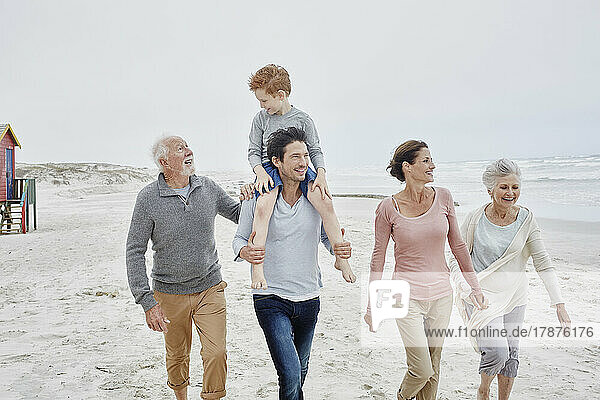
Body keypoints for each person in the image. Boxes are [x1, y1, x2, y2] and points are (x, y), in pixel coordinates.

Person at [233, 127, 355, 400]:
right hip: (270, 296)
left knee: (301, 370)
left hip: (309, 295)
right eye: (295, 157)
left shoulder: (315, 195)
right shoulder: (258, 196)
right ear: (277, 162)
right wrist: (245, 252)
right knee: (289, 372)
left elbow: (326, 234)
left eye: (306, 156)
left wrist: (339, 251)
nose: (303, 163)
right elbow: (240, 238)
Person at [363, 140, 486, 400]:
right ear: (408, 167)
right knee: (421, 368)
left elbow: (458, 245)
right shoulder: (388, 207)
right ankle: (402, 397)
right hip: (405, 297)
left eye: (432, 160)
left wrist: (474, 286)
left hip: (442, 295)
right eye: (426, 161)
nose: (433, 165)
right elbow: (378, 257)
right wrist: (373, 304)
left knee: (434, 364)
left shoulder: (444, 196)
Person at [126, 136, 242, 400]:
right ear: (165, 162)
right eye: (181, 148)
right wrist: (146, 301)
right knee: (177, 356)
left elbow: (238, 214)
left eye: (188, 145)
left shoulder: (208, 188)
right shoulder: (148, 199)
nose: (190, 150)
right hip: (168, 294)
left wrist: (255, 196)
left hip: (209, 288)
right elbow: (134, 251)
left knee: (216, 352)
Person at [449, 159, 571, 400]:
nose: (510, 193)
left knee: (512, 352)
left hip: (515, 295)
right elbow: (455, 257)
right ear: (490, 189)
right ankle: (484, 388)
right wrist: (465, 286)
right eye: (504, 187)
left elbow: (542, 261)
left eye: (515, 187)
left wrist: (559, 303)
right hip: (481, 295)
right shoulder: (475, 219)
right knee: (496, 351)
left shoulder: (526, 219)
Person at [246, 64, 354, 289]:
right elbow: (254, 151)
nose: (262, 106)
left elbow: (314, 150)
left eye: (264, 101)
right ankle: (258, 268)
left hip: (302, 168)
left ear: (280, 95)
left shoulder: (303, 119)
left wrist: (321, 175)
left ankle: (341, 259)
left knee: (326, 203)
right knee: (263, 207)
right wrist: (260, 173)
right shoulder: (260, 119)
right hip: (270, 168)